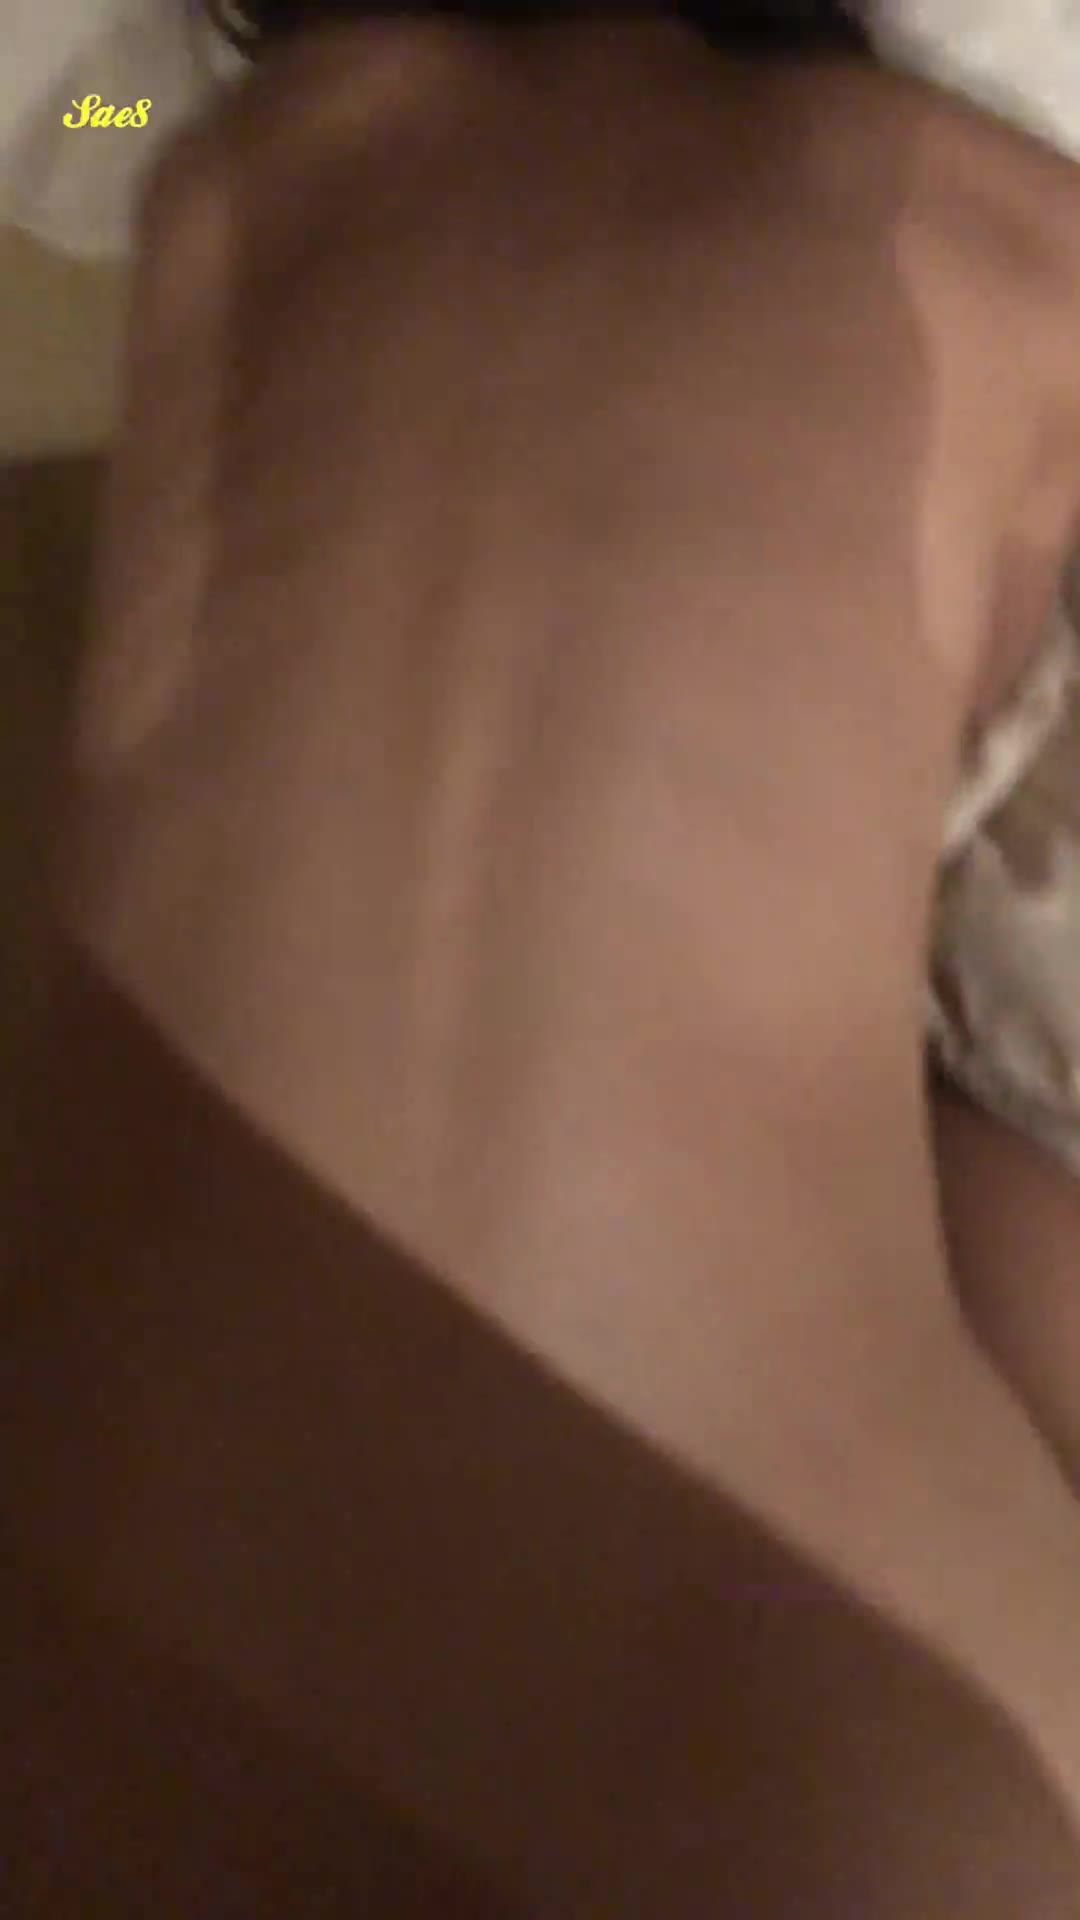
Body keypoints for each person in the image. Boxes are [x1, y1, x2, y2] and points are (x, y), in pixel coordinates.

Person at [5, 6, 1080, 1913]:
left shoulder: (205, 167)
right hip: (291, 133)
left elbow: (1008, 1227)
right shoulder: (225, 173)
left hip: (922, 161)